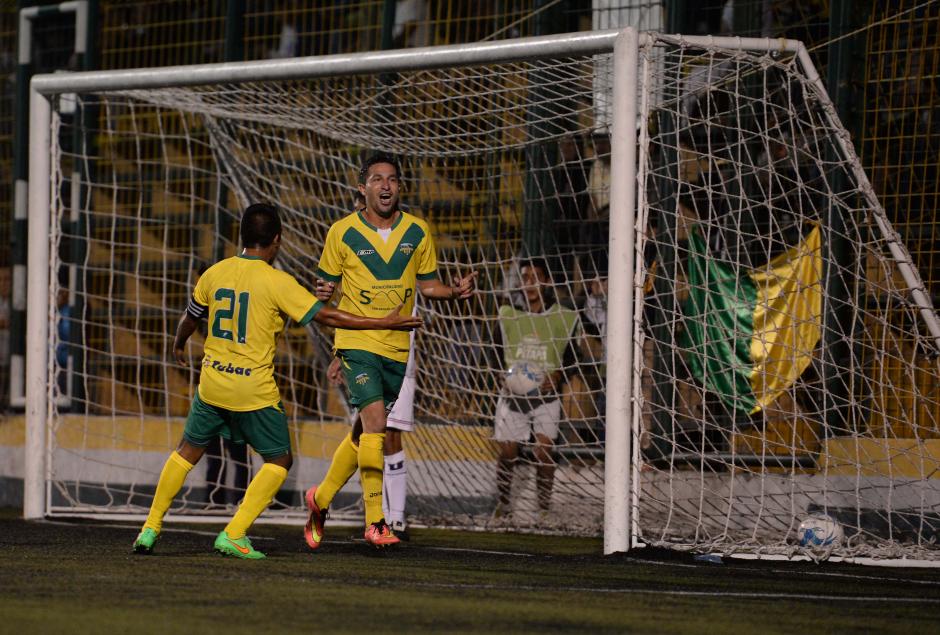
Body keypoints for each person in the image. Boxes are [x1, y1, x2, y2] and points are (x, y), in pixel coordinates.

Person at [131, 202, 422, 559]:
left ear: (242, 237)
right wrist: (382, 323)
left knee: (185, 453)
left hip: (212, 384)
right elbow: (328, 315)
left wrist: (178, 344)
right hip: (253, 390)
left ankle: (150, 527)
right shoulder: (277, 282)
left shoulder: (214, 272)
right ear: (277, 241)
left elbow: (191, 317)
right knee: (279, 460)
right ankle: (234, 533)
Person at [303, 152, 477, 550]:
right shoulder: (341, 232)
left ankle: (321, 498)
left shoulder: (418, 231)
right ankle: (376, 521)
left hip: (398, 346)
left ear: (400, 187)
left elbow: (428, 287)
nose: (386, 185)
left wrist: (454, 292)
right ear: (361, 187)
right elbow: (324, 291)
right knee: (378, 423)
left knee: (365, 430)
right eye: (378, 179)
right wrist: (323, 294)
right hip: (357, 341)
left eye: (393, 179)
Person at [493, 257, 582, 521]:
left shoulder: (562, 318)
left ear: (548, 281)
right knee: (508, 453)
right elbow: (494, 353)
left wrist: (559, 376)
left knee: (543, 452)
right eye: (525, 277)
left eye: (536, 276)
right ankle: (503, 503)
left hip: (546, 397)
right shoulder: (508, 316)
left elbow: (574, 359)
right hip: (513, 397)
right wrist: (499, 375)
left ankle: (543, 508)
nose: (529, 282)